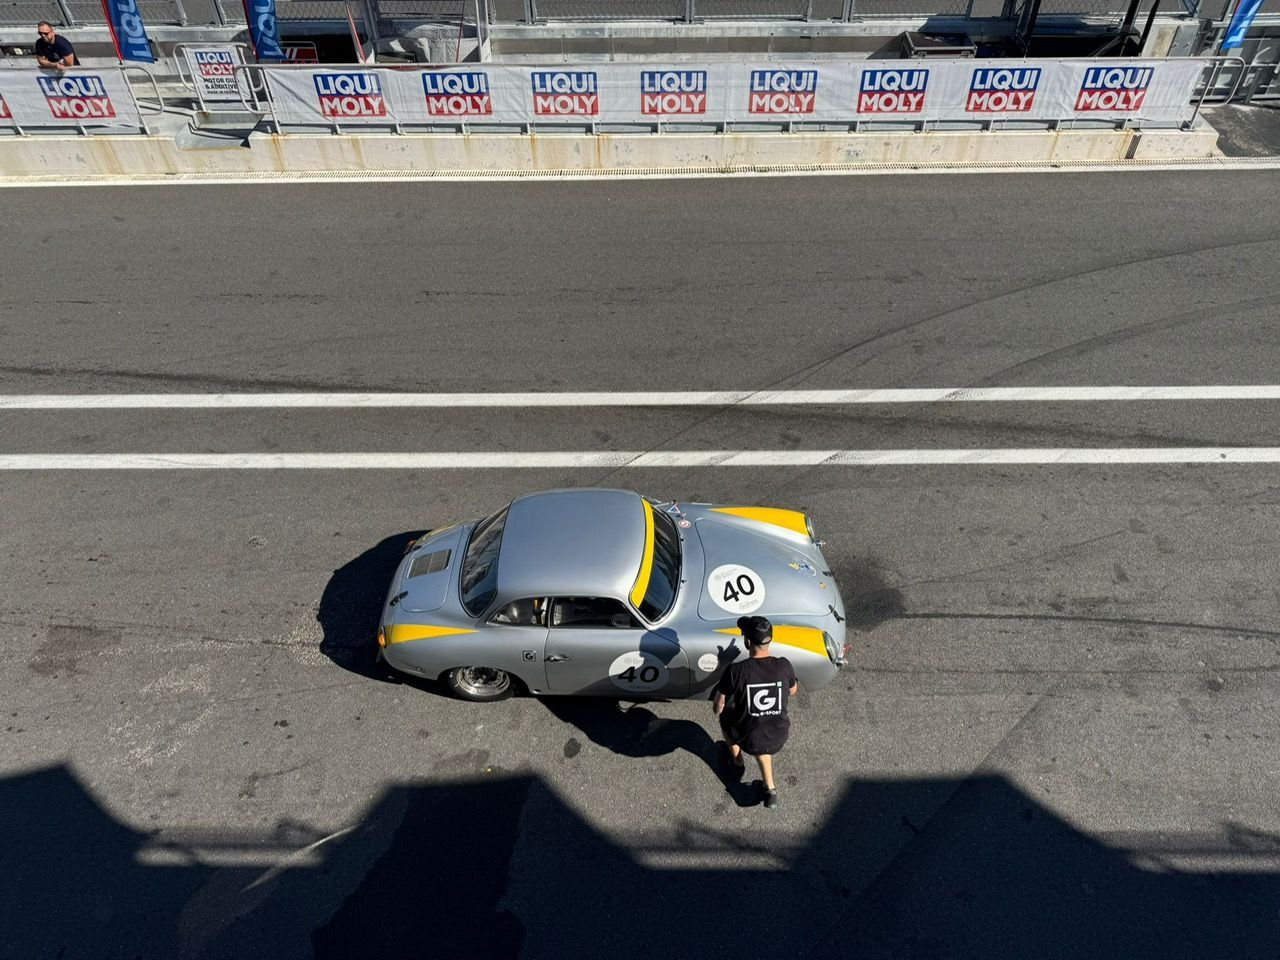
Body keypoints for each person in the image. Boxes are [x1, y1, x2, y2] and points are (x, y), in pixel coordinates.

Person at [713, 615, 798, 809]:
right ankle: (770, 789)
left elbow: (718, 705)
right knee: (762, 735)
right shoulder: (784, 665)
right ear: (770, 639)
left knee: (726, 718)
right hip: (778, 735)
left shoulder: (736, 671)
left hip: (750, 738)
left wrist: (718, 711)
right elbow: (793, 691)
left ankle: (737, 764)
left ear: (747, 642)